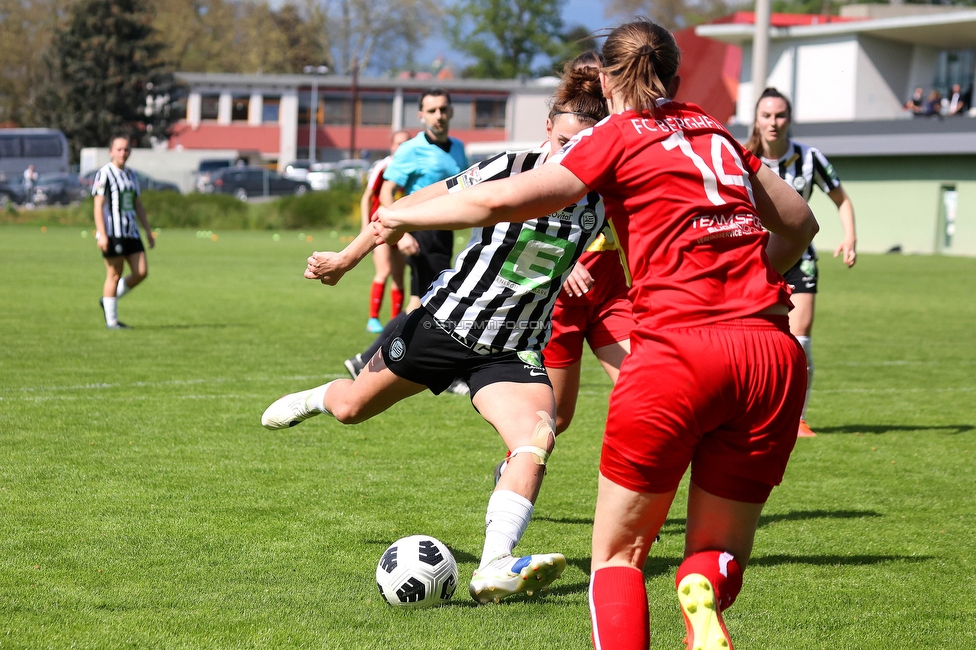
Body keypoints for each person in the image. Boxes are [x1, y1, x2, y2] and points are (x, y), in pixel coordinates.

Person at [372, 19, 818, 650]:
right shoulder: (716, 130)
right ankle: (703, 593)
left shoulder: (615, 136)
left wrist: (396, 214)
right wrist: (742, 279)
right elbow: (800, 224)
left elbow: (501, 202)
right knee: (717, 552)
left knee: (618, 558)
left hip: (679, 352)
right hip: (771, 354)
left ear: (606, 78)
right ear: (676, 76)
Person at [262, 57, 611, 605]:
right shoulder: (513, 164)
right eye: (564, 140)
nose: (572, 155)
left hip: (512, 347)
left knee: (536, 437)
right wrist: (349, 257)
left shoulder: (602, 196)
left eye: (585, 146)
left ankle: (494, 565)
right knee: (353, 408)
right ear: (548, 128)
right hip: (445, 323)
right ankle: (317, 397)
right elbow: (412, 205)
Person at [746, 87, 857, 438]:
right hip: (754, 257)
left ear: (789, 119)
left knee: (801, 339)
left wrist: (850, 236)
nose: (773, 122)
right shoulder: (740, 156)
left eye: (779, 115)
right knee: (750, 336)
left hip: (800, 256)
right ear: (757, 120)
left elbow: (841, 199)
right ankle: (748, 411)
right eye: (766, 115)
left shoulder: (810, 158)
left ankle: (797, 418)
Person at [379, 88, 467, 315]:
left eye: (443, 109)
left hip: (446, 230)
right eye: (432, 110)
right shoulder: (411, 149)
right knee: (427, 299)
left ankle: (393, 347)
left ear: (451, 112)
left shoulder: (458, 147)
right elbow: (386, 192)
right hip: (420, 231)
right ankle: (385, 347)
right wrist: (401, 233)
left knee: (427, 299)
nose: (438, 115)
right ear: (421, 115)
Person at [93, 133, 155, 329]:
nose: (123, 153)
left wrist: (147, 231)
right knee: (115, 273)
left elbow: (138, 204)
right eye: (119, 149)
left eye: (126, 149)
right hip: (112, 232)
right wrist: (102, 233)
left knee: (141, 272)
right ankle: (112, 321)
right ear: (111, 152)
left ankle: (108, 300)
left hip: (131, 231)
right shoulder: (105, 173)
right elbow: (98, 205)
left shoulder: (131, 175)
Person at [360, 129, 411, 333]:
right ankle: (373, 319)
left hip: (403, 227)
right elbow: (367, 197)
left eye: (406, 144)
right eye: (398, 143)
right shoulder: (383, 166)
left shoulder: (412, 167)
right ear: (391, 146)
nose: (402, 148)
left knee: (399, 275)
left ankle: (394, 322)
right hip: (380, 226)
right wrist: (366, 227)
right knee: (384, 271)